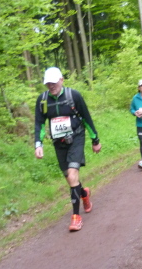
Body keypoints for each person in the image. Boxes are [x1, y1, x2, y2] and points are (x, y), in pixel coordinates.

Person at [34, 67, 102, 232]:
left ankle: (76, 217)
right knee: (70, 179)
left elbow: (86, 118)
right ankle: (84, 194)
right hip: (58, 142)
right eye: (48, 83)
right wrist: (38, 143)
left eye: (54, 82)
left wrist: (95, 139)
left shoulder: (74, 96)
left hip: (76, 138)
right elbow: (40, 123)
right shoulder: (43, 100)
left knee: (72, 175)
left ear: (61, 80)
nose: (51, 86)